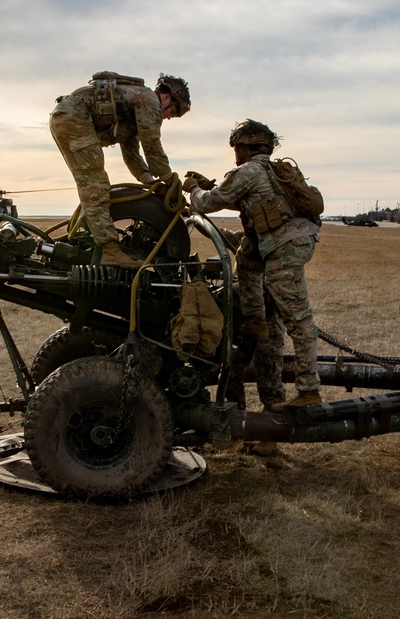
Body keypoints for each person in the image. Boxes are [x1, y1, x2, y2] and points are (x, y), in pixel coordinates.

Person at [184, 119, 322, 408]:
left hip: (285, 247)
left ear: (245, 147)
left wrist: (194, 190)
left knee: (299, 320)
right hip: (285, 243)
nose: (235, 152)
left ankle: (309, 390)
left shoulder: (247, 171)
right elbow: (240, 198)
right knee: (247, 255)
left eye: (236, 147)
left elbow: (208, 202)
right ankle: (256, 318)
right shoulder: (272, 172)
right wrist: (210, 185)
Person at [50, 71, 191, 267]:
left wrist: (152, 183)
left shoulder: (133, 108)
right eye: (173, 112)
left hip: (69, 117)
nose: (168, 118)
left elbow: (132, 156)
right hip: (75, 118)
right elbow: (152, 146)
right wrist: (169, 180)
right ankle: (109, 251)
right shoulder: (150, 101)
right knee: (95, 185)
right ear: (167, 98)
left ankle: (99, 245)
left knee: (93, 183)